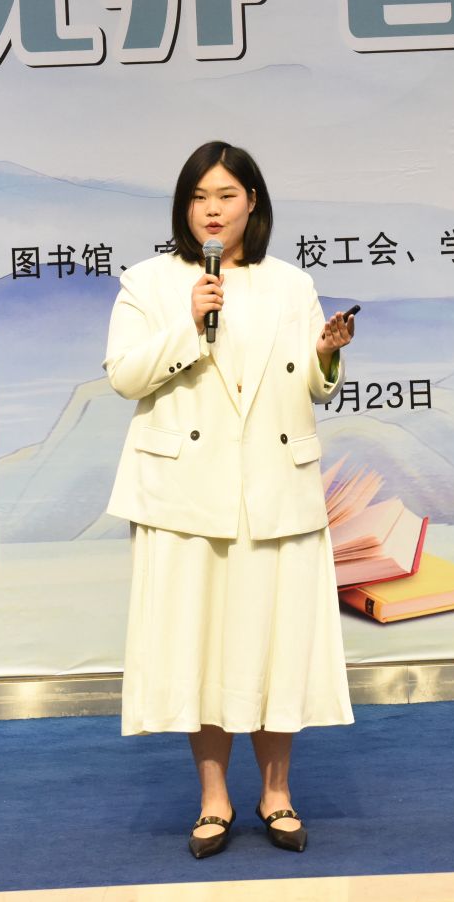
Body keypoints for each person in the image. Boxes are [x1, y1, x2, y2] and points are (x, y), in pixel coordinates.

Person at [103, 141, 357, 859]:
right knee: (199, 649)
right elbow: (124, 376)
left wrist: (327, 353)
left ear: (253, 203)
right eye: (198, 197)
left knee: (275, 646)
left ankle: (276, 795)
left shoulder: (291, 284)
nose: (211, 210)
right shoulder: (150, 282)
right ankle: (213, 799)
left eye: (225, 196)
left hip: (274, 488)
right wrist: (188, 324)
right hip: (187, 492)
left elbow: (311, 385)